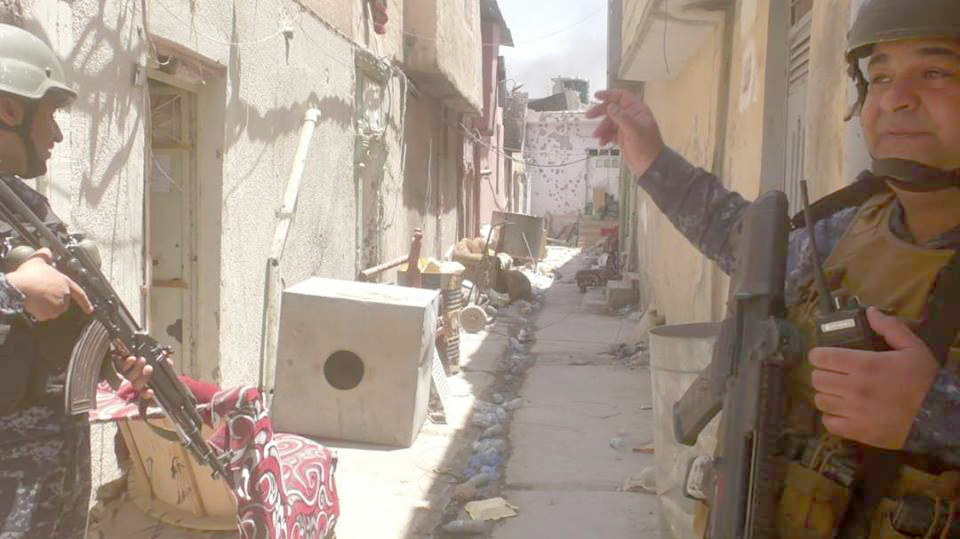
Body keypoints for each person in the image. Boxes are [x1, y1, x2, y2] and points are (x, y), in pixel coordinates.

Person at [589, 0, 960, 536]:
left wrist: (934, 412)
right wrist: (651, 157)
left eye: (935, 72)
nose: (896, 100)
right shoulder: (851, 224)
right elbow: (747, 248)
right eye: (879, 76)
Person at [0, 23, 155, 537]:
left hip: (55, 475)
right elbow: (22, 298)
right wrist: (14, 293)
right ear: (10, 111)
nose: (58, 135)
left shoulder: (27, 207)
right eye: (52, 115)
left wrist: (117, 355)